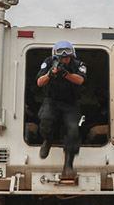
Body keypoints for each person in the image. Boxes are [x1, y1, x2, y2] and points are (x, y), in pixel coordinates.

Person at [36, 41, 87, 179]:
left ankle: (68, 165)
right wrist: (50, 75)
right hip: (52, 101)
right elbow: (39, 82)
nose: (64, 60)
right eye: (61, 58)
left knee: (73, 129)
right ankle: (47, 140)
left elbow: (80, 80)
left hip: (71, 103)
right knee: (46, 120)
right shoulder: (48, 62)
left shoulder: (79, 65)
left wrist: (66, 74)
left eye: (67, 57)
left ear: (72, 56)